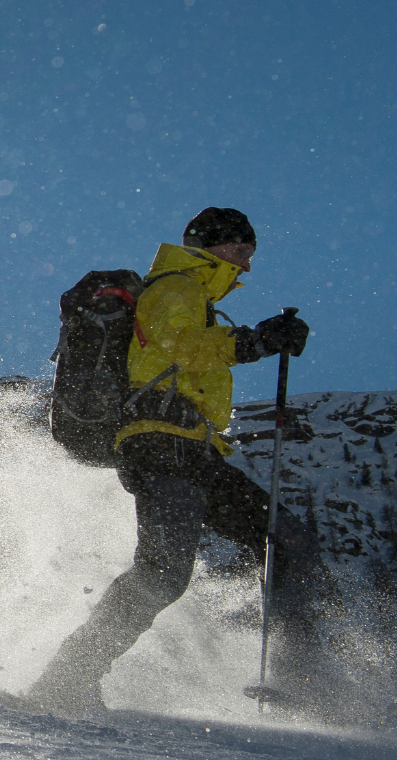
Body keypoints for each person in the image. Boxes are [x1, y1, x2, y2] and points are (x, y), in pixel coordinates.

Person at [29, 207, 318, 714]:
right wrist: (255, 341)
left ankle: (301, 679)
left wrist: (254, 340)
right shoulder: (177, 287)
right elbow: (177, 344)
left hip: (189, 447)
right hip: (164, 445)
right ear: (214, 245)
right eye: (241, 252)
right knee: (165, 573)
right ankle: (66, 678)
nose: (247, 266)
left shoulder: (196, 295)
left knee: (283, 539)